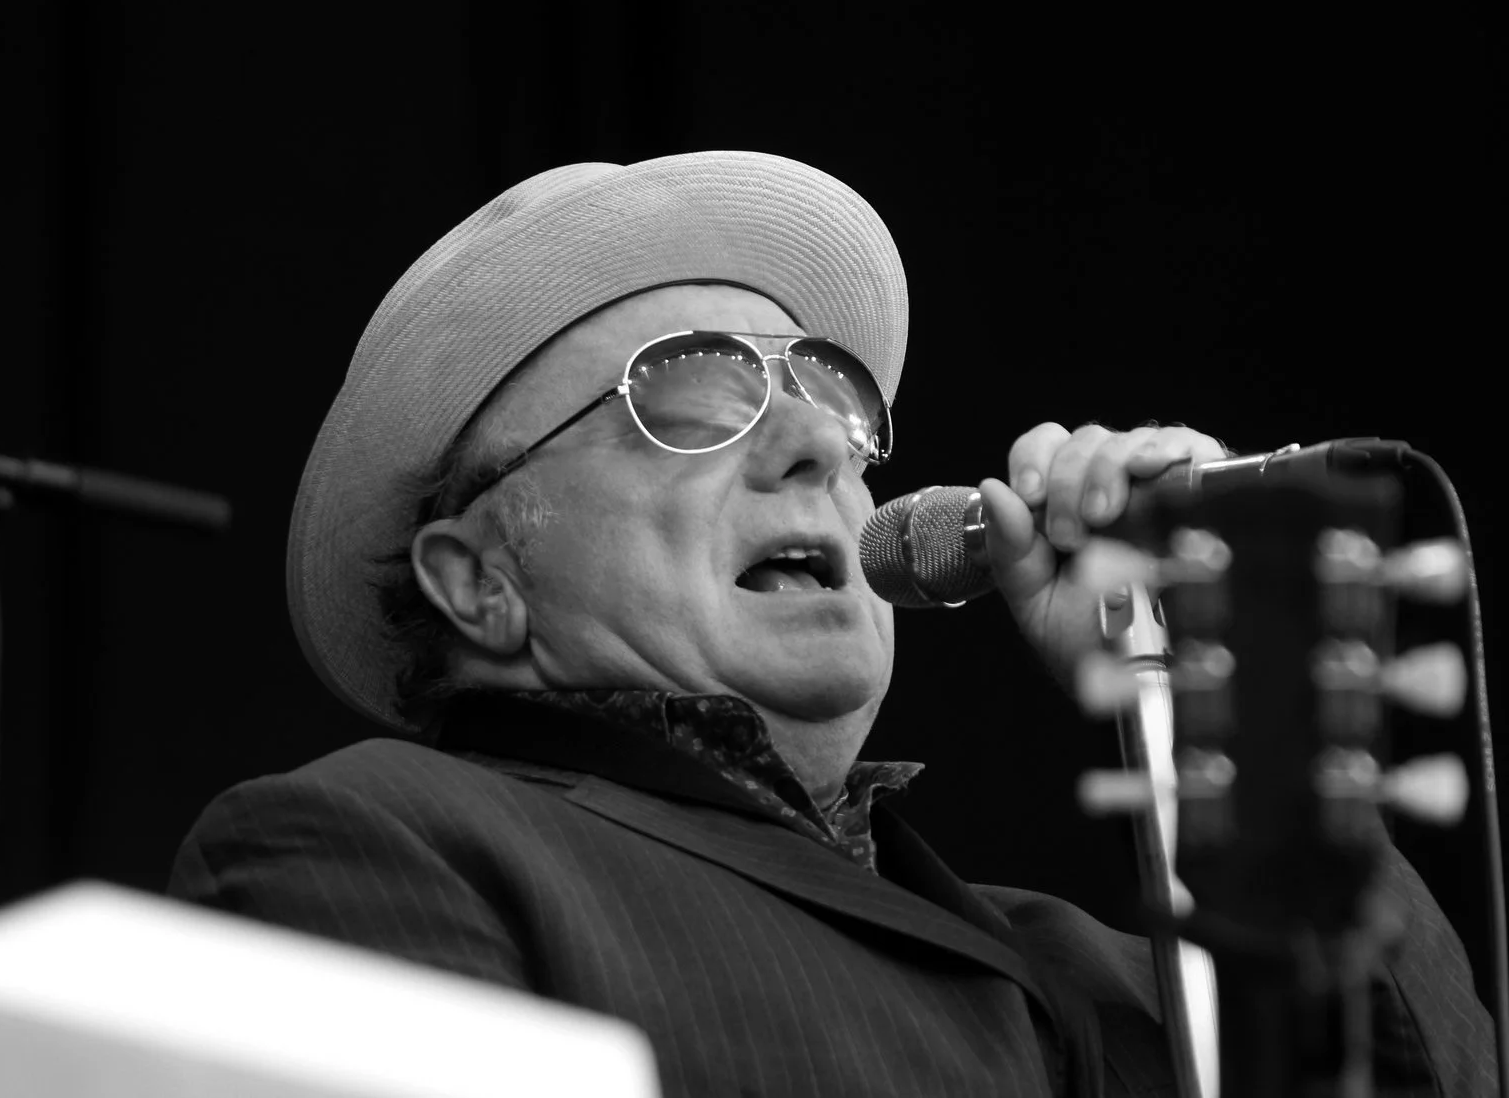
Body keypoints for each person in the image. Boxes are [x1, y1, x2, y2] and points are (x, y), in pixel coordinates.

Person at [169, 152, 1496, 1096]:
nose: (816, 439)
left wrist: (1223, 689)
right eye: (692, 394)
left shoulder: (1072, 961)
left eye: (829, 393)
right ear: (479, 580)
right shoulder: (376, 845)